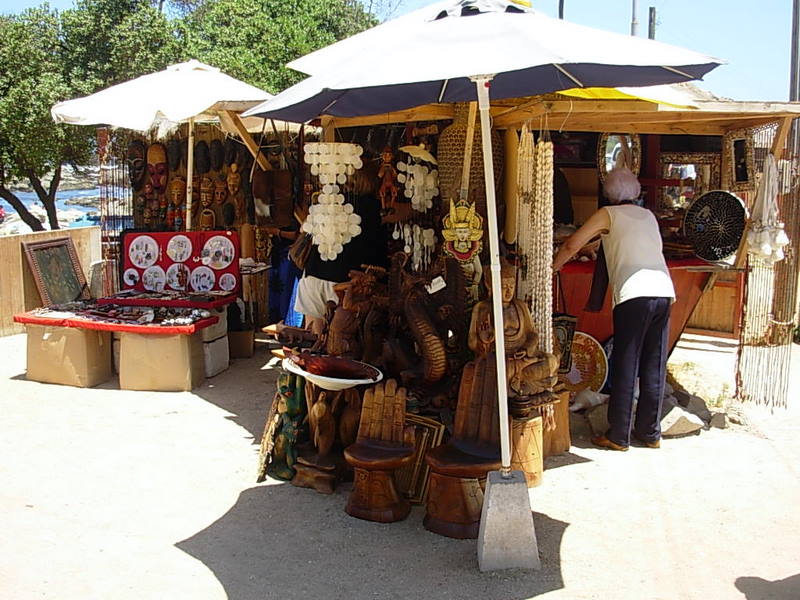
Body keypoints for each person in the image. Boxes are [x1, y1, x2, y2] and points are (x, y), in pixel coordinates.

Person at [553, 167, 675, 451]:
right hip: (664, 291)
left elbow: (573, 242)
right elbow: (617, 242)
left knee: (627, 362)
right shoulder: (648, 216)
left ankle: (619, 435)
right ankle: (650, 432)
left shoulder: (608, 214)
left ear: (608, 192)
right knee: (654, 365)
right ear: (634, 191)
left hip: (634, 295)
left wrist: (553, 266)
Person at [295, 164, 387, 336]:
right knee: (342, 340)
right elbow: (376, 246)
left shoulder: (329, 200)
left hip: (313, 276)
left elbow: (305, 230)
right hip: (344, 283)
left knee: (314, 336)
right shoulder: (371, 206)